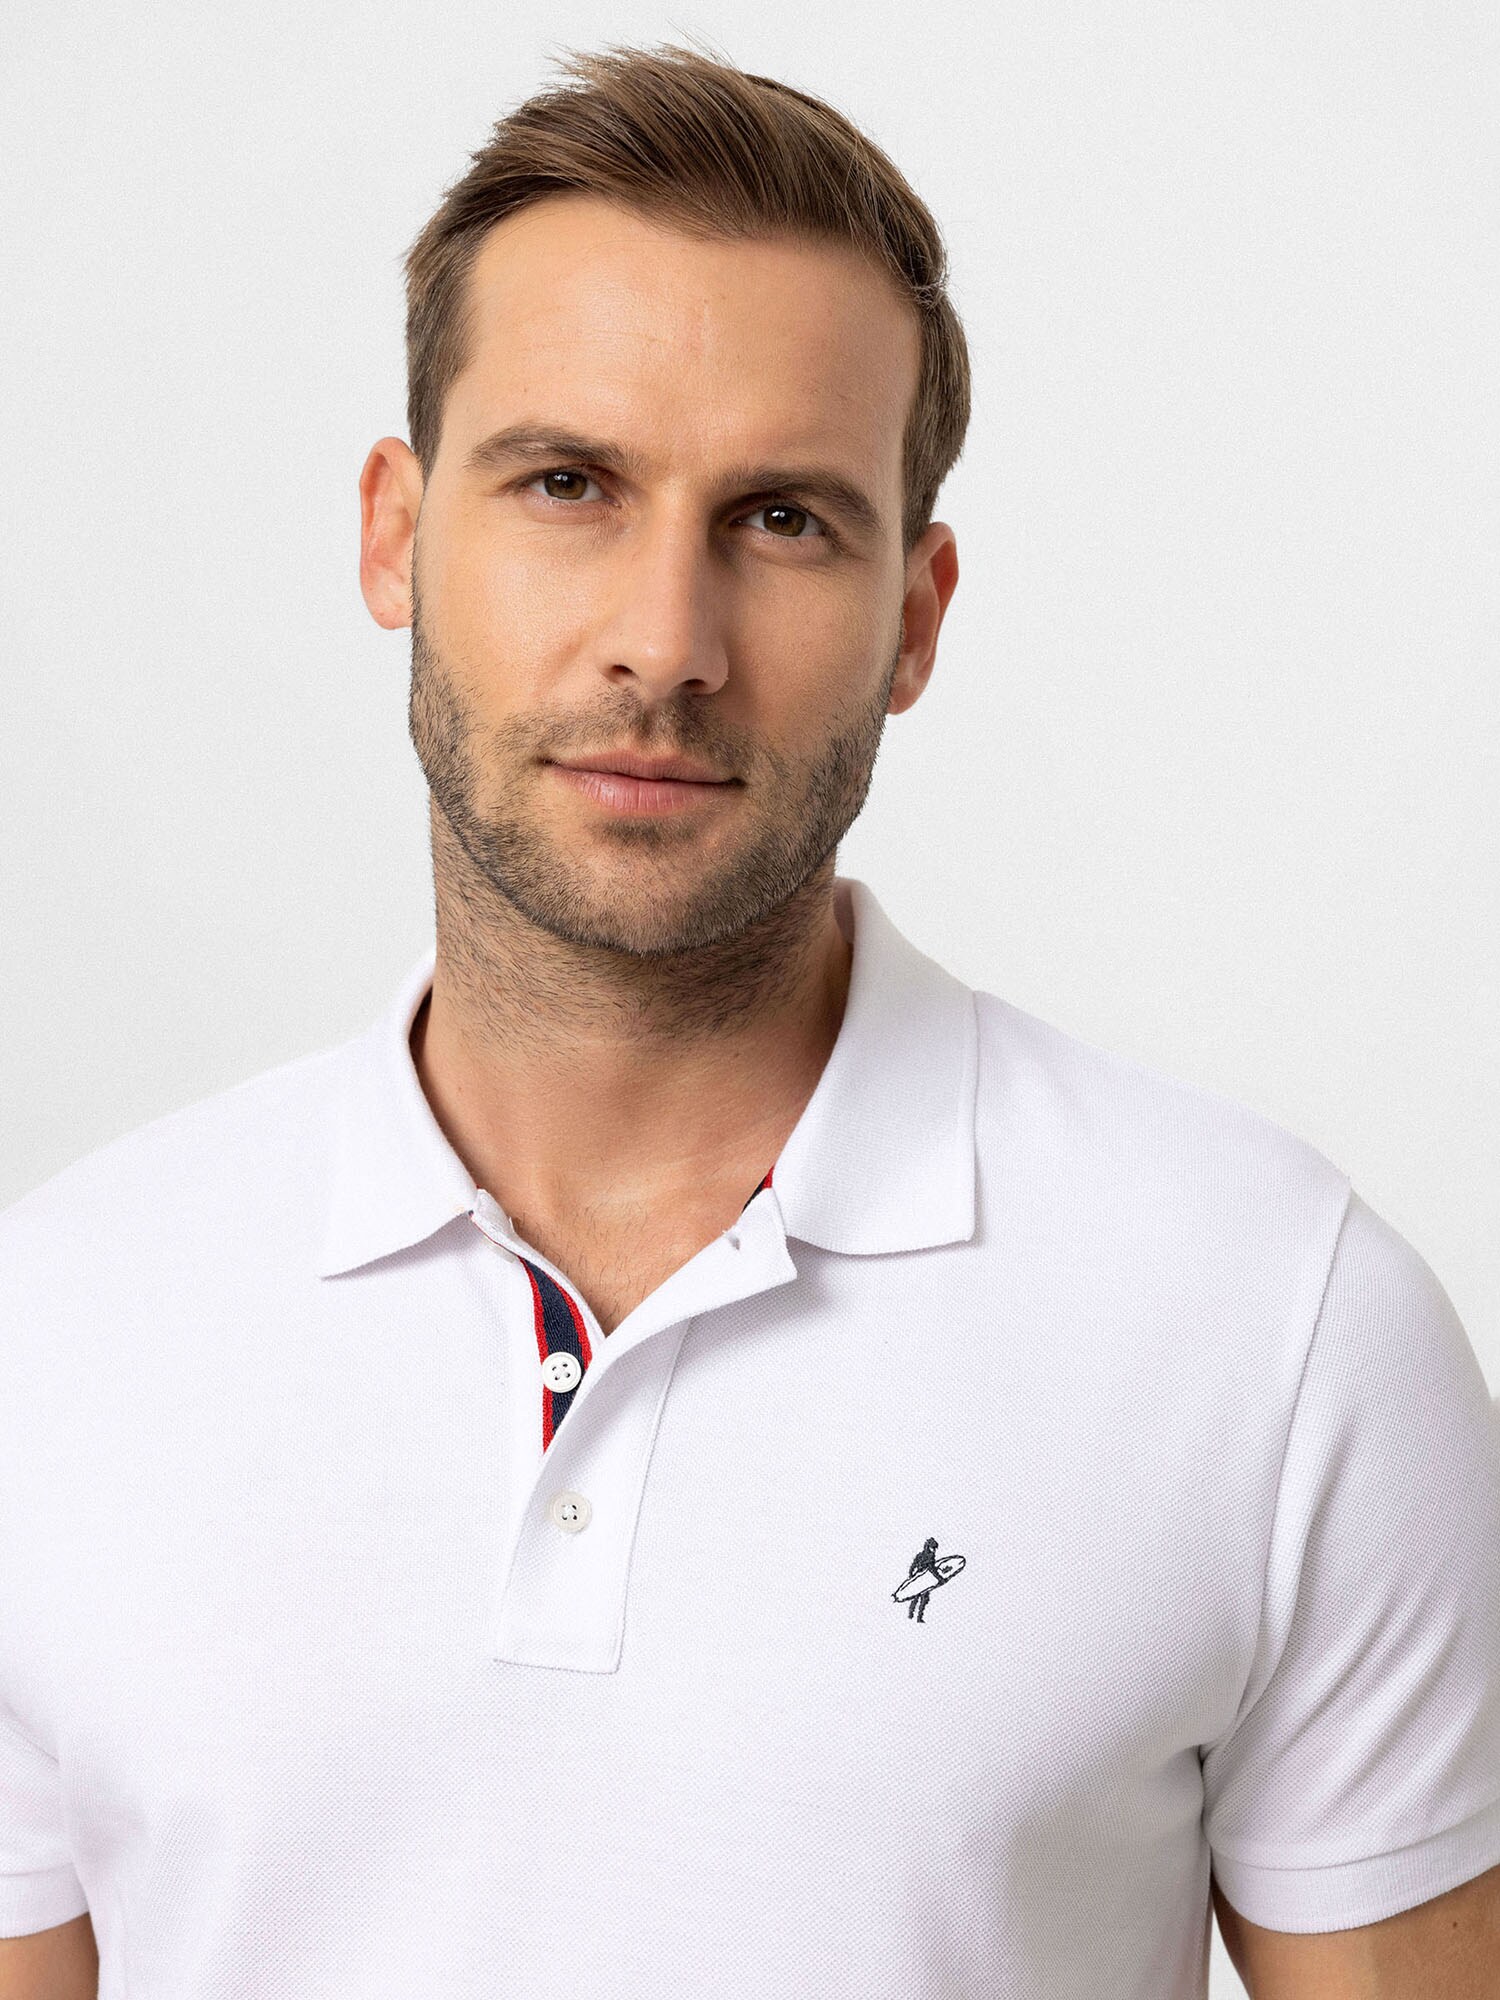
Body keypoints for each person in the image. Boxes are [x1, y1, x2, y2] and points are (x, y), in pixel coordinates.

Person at [2, 35, 1497, 2000]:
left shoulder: (1276, 1329)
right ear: (393, 533)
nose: (666, 641)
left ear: (916, 615)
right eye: (566, 484)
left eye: (783, 519)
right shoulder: (61, 1329)